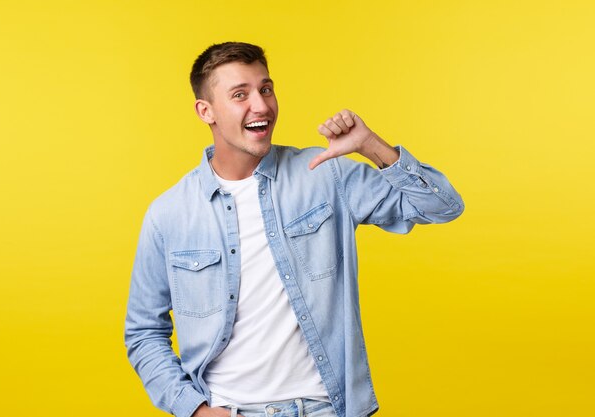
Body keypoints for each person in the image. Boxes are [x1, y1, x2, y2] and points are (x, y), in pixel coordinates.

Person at [125, 42, 464, 417]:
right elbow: (143, 332)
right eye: (240, 94)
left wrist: (369, 145)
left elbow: (442, 207)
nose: (261, 105)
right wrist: (195, 410)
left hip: (328, 408)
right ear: (206, 111)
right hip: (231, 410)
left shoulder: (325, 174)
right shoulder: (169, 214)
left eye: (266, 89)